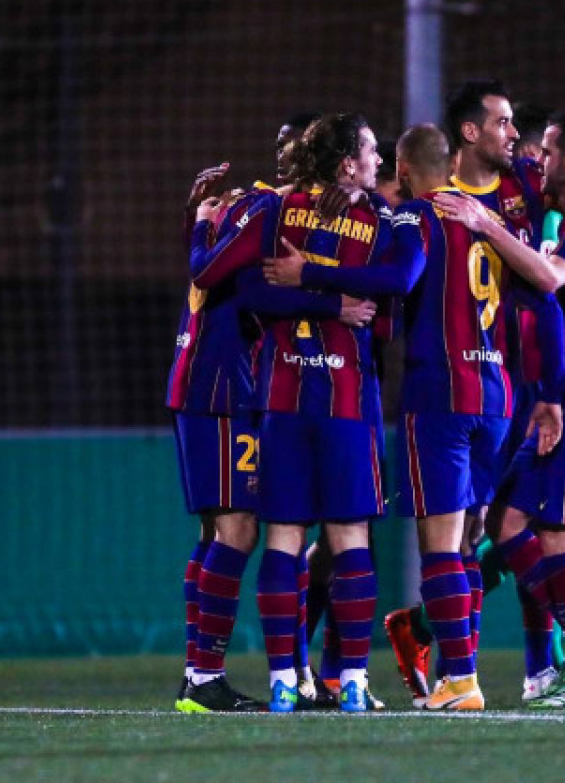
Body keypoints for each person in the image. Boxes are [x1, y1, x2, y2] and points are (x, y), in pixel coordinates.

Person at [265, 122, 565, 711]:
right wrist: (551, 389)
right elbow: (546, 300)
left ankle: (461, 679)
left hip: (440, 395)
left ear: (402, 170)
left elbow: (400, 278)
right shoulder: (489, 220)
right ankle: (452, 673)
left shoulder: (415, 217)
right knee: (470, 541)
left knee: (439, 546)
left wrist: (312, 274)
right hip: (496, 396)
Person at [435, 113, 565, 708]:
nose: (540, 161)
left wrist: (484, 224)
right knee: (507, 521)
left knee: (559, 535)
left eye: (550, 153)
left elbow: (553, 276)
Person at [170, 114, 366, 712]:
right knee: (239, 530)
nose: (287, 157)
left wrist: (196, 220)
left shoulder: (273, 207)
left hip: (228, 383)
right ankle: (204, 676)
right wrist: (197, 225)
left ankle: (213, 674)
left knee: (236, 529)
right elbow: (209, 272)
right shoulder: (263, 207)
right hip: (219, 383)